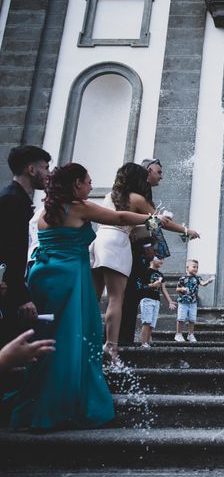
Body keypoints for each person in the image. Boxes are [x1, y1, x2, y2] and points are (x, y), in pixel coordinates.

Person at [7, 163, 163, 430]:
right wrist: (151, 219)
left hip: (43, 277)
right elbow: (120, 218)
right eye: (88, 181)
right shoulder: (77, 206)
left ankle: (40, 397)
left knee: (49, 339)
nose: (91, 186)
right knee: (76, 337)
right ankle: (68, 405)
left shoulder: (46, 209)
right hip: (70, 277)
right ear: (77, 183)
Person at [120, 158, 200, 346]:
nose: (161, 177)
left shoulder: (135, 193)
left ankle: (125, 337)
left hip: (134, 244)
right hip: (132, 246)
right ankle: (122, 339)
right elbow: (152, 222)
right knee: (130, 293)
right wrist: (185, 230)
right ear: (148, 171)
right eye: (159, 172)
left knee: (131, 294)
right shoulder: (139, 195)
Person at [90, 163, 155, 361]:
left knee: (94, 297)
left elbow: (127, 222)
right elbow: (156, 222)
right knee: (116, 298)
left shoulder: (110, 196)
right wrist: (185, 230)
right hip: (117, 243)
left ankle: (88, 339)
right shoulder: (137, 198)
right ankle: (111, 345)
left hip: (99, 240)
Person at [0, 145, 51, 346]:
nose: (48, 173)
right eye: (45, 168)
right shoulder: (12, 200)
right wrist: (20, 296)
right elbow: (10, 251)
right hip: (7, 290)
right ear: (31, 170)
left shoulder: (17, 198)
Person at [137, 257, 175, 348]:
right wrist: (152, 285)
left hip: (156, 300)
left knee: (152, 324)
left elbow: (163, 289)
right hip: (147, 299)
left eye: (163, 259)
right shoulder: (145, 271)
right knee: (147, 321)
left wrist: (170, 301)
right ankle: (143, 343)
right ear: (152, 259)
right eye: (159, 259)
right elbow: (140, 286)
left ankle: (147, 342)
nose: (162, 261)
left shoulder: (160, 274)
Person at [175, 259, 213, 343]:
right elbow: (177, 289)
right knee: (181, 318)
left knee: (192, 319)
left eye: (197, 267)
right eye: (194, 267)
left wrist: (208, 281)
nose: (196, 269)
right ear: (187, 268)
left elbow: (203, 283)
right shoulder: (183, 278)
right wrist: (182, 289)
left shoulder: (197, 278)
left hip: (193, 302)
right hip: (183, 302)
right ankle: (178, 334)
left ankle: (190, 334)